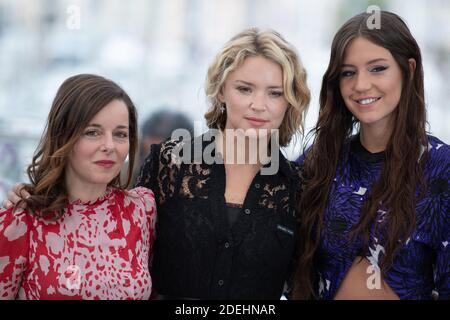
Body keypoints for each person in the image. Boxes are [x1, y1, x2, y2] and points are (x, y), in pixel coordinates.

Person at [135, 27, 310, 299]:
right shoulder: (170, 163)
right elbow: (130, 264)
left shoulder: (299, 188)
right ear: (221, 91)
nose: (259, 104)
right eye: (244, 89)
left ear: (290, 101)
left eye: (275, 93)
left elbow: (304, 288)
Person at [293, 11, 449, 300]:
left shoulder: (442, 167)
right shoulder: (320, 161)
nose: (361, 85)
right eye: (348, 72)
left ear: (409, 69)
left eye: (377, 68)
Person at [0, 74, 157, 299]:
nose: (110, 146)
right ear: (63, 136)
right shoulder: (22, 219)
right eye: (93, 132)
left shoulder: (142, 209)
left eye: (121, 134)